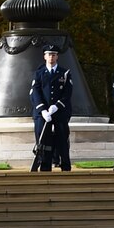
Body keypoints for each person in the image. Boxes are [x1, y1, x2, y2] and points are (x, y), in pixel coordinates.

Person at [30, 43, 73, 171]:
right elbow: (35, 92)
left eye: (54, 55)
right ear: (45, 56)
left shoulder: (64, 73)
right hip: (42, 113)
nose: (51, 57)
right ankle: (44, 166)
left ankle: (65, 166)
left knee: (62, 139)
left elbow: (67, 93)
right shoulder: (39, 74)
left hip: (59, 112)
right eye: (49, 55)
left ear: (57, 56)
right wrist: (43, 110)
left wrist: (56, 106)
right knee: (43, 141)